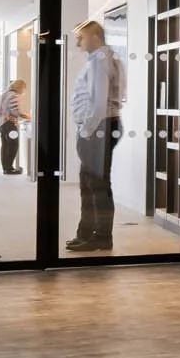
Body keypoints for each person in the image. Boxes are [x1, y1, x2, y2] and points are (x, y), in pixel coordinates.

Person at [68, 19, 125, 253]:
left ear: (95, 37)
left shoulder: (99, 62)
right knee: (91, 184)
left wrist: (87, 130)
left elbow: (99, 103)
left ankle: (100, 236)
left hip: (98, 128)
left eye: (81, 36)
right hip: (101, 127)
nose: (77, 41)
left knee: (96, 185)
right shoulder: (103, 59)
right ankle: (87, 234)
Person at [0, 79, 29, 175]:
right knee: (13, 145)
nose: (24, 91)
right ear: (20, 87)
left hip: (2, 123)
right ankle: (10, 168)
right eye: (24, 88)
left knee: (5, 145)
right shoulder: (13, 95)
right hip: (9, 123)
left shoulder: (4, 94)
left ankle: (6, 168)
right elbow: (16, 111)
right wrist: (27, 116)